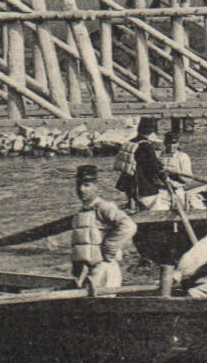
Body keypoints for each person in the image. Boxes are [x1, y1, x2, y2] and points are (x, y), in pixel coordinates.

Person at [70, 163, 135, 292]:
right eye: (79, 184)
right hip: (89, 273)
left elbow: (128, 225)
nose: (82, 189)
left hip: (105, 270)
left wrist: (109, 247)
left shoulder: (103, 207)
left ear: (96, 187)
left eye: (87, 185)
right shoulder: (80, 212)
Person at [115, 117, 170, 214]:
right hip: (142, 186)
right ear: (152, 131)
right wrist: (165, 178)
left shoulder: (130, 142)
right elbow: (154, 166)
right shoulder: (145, 146)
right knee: (157, 206)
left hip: (128, 184)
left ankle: (133, 207)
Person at [160, 131, 195, 215]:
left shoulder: (183, 157)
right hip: (163, 187)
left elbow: (188, 179)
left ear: (178, 144)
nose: (172, 146)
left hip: (178, 188)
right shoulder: (161, 156)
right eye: (169, 143)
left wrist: (174, 172)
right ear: (165, 144)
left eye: (174, 143)